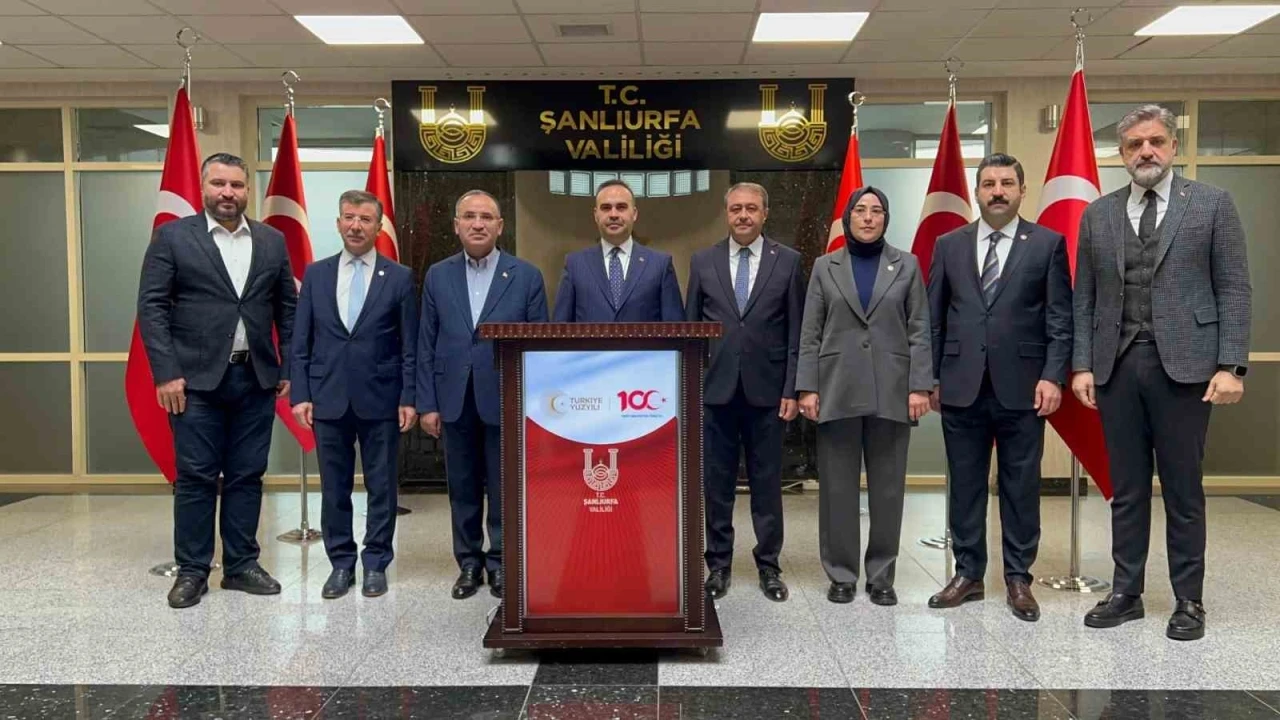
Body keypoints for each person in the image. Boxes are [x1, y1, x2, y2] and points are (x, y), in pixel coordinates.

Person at [1073, 105, 1251, 641]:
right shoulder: (1098, 214)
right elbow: (1085, 298)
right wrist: (1081, 364)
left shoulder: (1212, 204)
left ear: (1173, 146)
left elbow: (1234, 287)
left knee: (1182, 489)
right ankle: (1126, 593)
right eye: (1134, 144)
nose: (1145, 151)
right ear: (1121, 154)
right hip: (1117, 366)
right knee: (1126, 489)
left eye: (1155, 141)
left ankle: (1188, 600)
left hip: (1187, 368)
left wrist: (1231, 365)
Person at [137, 152, 296, 609]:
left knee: (248, 475)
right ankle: (192, 570)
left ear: (248, 190)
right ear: (203, 187)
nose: (228, 193)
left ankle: (242, 565)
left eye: (237, 185)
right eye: (219, 184)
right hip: (193, 383)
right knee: (196, 477)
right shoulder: (173, 237)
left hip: (256, 378)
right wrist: (166, 373)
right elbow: (152, 307)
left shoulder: (271, 241)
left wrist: (287, 368)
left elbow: (287, 309)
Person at [925, 153, 1073, 623]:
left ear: (1022, 190)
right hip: (961, 385)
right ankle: (968, 573)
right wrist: (930, 378)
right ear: (977, 191)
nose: (997, 191)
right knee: (965, 485)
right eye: (988, 183)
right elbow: (933, 318)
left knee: (1020, 486)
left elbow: (1060, 318)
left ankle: (1018, 578)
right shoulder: (949, 245)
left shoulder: (1047, 244)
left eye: (1007, 183)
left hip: (1023, 387)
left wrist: (1053, 375)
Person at [796, 186, 933, 606]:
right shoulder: (826, 266)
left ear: (886, 219)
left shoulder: (906, 265)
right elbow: (810, 331)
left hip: (892, 390)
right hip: (836, 388)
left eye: (876, 211)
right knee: (837, 489)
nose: (868, 217)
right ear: (849, 217)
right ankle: (841, 574)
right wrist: (807, 386)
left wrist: (919, 385)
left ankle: (881, 575)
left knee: (888, 490)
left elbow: (919, 329)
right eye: (860, 210)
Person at [418, 189, 549, 600]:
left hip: (507, 399)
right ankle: (469, 563)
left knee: (505, 485)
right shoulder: (438, 275)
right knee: (462, 486)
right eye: (470, 216)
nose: (478, 224)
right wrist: (427, 404)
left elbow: (539, 347)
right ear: (456, 225)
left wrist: (534, 405)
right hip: (453, 398)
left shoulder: (526, 275)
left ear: (500, 226)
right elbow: (426, 342)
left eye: (486, 217)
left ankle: (502, 562)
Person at [289, 190, 418, 599]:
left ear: (378, 227)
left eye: (365, 219)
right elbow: (301, 341)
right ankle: (341, 564)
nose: (356, 226)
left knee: (382, 486)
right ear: (338, 223)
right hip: (327, 398)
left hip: (382, 398)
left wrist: (408, 397)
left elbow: (409, 345)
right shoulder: (316, 274)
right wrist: (300, 393)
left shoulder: (399, 277)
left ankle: (376, 562)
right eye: (349, 217)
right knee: (334, 488)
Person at [686, 182, 804, 602]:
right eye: (736, 208)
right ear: (726, 213)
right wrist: (691, 389)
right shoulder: (703, 262)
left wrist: (792, 388)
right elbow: (691, 331)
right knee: (716, 484)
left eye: (751, 208)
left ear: (765, 214)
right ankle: (718, 565)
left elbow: (796, 332)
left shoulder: (788, 261)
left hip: (769, 394)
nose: (743, 215)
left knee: (767, 484)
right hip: (714, 392)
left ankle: (769, 566)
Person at [552, 179, 684, 322]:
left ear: (634, 214)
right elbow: (560, 328)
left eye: (621, 207)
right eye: (606, 208)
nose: (613, 214)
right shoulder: (575, 264)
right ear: (596, 215)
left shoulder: (660, 265)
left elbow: (675, 329)